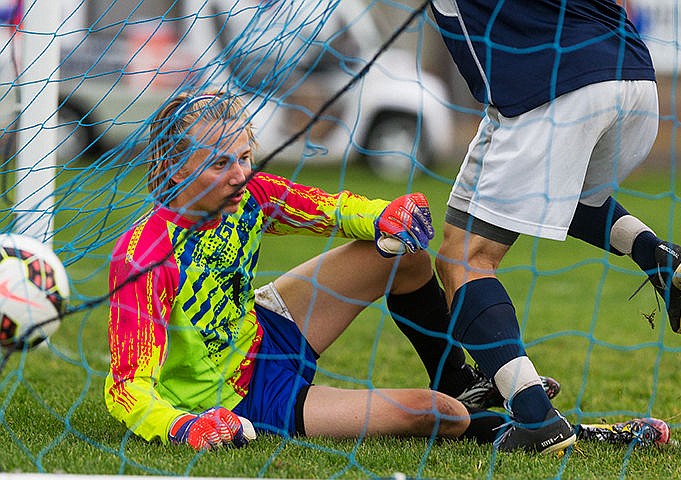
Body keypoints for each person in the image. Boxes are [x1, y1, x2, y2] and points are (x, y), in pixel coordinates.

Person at [104, 90, 520, 450]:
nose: (240, 175)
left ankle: (455, 379)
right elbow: (127, 388)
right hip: (243, 401)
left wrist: (386, 215)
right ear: (177, 168)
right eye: (219, 165)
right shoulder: (144, 258)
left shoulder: (252, 194)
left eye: (245, 157)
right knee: (435, 413)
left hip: (267, 331)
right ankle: (509, 426)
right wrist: (183, 426)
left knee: (405, 254)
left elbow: (330, 209)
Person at [427, 0, 681, 454]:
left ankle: (536, 417)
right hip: (632, 75)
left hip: (551, 86)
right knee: (554, 196)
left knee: (467, 260)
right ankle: (655, 253)